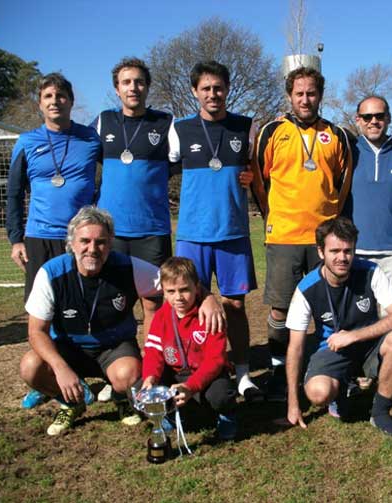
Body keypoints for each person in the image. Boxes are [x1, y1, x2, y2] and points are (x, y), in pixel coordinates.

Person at [18, 206, 225, 436]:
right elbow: (36, 331)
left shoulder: (128, 267)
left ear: (111, 242)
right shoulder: (51, 273)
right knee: (30, 366)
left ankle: (122, 398)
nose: (92, 249)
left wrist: (206, 296)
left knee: (130, 374)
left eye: (101, 242)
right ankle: (71, 402)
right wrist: (60, 368)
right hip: (68, 348)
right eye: (85, 241)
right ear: (72, 242)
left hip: (113, 348)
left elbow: (175, 282)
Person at [251, 66, 353, 400]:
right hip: (284, 237)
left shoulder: (336, 134)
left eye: (311, 93)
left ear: (320, 95)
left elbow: (342, 183)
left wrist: (330, 227)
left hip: (324, 240)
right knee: (281, 308)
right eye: (299, 93)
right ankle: (280, 371)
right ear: (290, 96)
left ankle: (336, 366)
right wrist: (274, 217)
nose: (305, 99)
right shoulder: (271, 131)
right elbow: (259, 181)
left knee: (331, 306)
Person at [6, 73, 100, 409]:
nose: (54, 100)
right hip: (39, 237)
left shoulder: (91, 139)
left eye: (61, 95)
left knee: (78, 305)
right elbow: (14, 193)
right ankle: (47, 378)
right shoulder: (27, 142)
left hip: (79, 240)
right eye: (48, 95)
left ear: (71, 101)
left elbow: (109, 179)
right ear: (40, 102)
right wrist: (16, 239)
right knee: (43, 312)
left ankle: (86, 368)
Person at [168, 60, 261, 400]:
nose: (213, 94)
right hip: (192, 234)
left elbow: (258, 171)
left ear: (227, 90)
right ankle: (197, 366)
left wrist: (251, 178)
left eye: (218, 88)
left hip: (233, 233)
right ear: (195, 92)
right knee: (189, 303)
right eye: (205, 88)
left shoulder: (246, 127)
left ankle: (243, 372)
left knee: (234, 306)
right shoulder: (180, 130)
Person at [285, 217, 392, 438]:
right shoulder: (306, 289)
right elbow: (295, 347)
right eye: (334, 251)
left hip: (369, 344)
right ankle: (341, 388)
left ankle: (380, 413)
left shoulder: (370, 271)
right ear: (320, 252)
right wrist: (293, 404)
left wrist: (354, 336)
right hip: (332, 349)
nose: (342, 257)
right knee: (318, 393)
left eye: (348, 251)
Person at [92, 57, 174, 349]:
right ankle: (118, 363)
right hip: (111, 230)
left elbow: (186, 162)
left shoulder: (165, 123)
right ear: (117, 89)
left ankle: (152, 366)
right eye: (126, 82)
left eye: (139, 81)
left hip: (152, 230)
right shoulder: (104, 121)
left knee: (152, 302)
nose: (133, 87)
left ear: (148, 86)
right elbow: (84, 158)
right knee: (112, 301)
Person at [142, 257, 237, 440]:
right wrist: (150, 378)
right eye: (171, 291)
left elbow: (215, 360)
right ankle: (169, 416)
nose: (178, 297)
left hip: (206, 375)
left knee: (221, 394)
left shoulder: (211, 316)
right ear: (163, 291)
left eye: (184, 290)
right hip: (175, 373)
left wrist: (190, 386)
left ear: (197, 287)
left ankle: (226, 417)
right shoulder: (161, 316)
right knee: (141, 389)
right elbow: (153, 352)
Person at [348, 95, 392, 297]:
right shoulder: (348, 151)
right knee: (360, 317)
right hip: (356, 249)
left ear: (389, 118)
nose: (373, 121)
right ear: (358, 119)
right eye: (367, 117)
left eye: (379, 115)